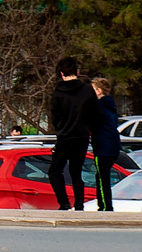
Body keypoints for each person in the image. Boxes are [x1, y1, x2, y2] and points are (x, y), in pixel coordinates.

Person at [47, 56, 98, 211]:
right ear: (78, 71)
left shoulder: (58, 93)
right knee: (76, 171)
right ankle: (79, 204)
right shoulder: (88, 90)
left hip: (65, 136)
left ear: (61, 73)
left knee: (55, 171)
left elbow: (54, 116)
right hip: (82, 136)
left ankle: (64, 203)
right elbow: (95, 113)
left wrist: (60, 130)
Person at [91, 77, 120, 212]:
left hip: (102, 145)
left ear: (98, 91)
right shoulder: (111, 105)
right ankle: (105, 204)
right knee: (103, 175)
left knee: (102, 177)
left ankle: (105, 206)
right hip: (113, 144)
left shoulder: (98, 106)